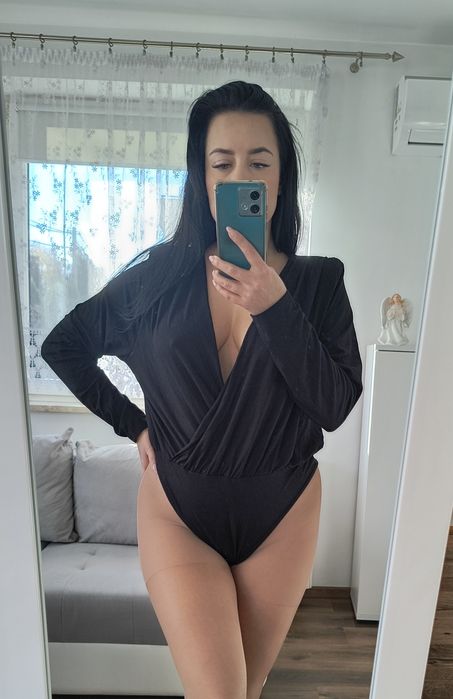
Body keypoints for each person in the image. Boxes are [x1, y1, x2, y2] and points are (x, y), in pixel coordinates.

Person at [41, 80, 363, 699]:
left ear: (281, 180)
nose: (241, 176)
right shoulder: (156, 279)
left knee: (245, 689)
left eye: (259, 163)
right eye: (223, 163)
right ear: (202, 178)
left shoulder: (321, 283)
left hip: (283, 513)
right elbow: (64, 346)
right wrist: (133, 424)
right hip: (178, 510)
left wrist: (276, 307)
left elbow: (334, 406)